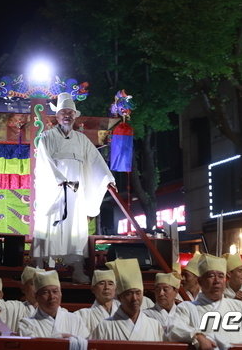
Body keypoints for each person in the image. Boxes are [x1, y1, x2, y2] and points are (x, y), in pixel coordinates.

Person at [33, 92, 116, 283]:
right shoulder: (47, 137)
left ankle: (77, 269)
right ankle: (39, 268)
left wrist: (107, 178)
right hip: (54, 191)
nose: (67, 116)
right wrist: (59, 180)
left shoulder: (82, 139)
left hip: (76, 192)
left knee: (76, 229)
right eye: (63, 112)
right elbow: (44, 162)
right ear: (57, 115)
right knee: (48, 227)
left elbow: (96, 162)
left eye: (70, 112)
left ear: (75, 115)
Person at [168, 254, 242, 350]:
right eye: (211, 276)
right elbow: (174, 328)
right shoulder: (187, 308)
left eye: (220, 276)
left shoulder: (239, 307)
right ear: (200, 281)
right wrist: (197, 336)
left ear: (224, 280)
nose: (216, 281)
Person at [91, 259, 164, 341]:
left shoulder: (154, 325)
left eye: (138, 293)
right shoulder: (105, 326)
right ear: (119, 297)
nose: (134, 298)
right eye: (129, 294)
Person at [18, 270, 88, 338]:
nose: (52, 297)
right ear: (36, 296)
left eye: (55, 291)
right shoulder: (27, 324)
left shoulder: (75, 320)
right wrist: (58, 339)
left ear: (61, 294)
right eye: (45, 292)